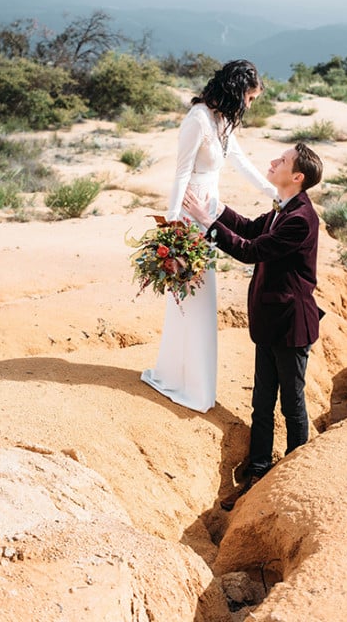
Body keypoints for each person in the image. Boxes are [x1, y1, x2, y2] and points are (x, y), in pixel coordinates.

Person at [183, 142, 323, 509]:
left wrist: (207, 222)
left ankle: (295, 471)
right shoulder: (283, 208)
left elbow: (250, 250)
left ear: (297, 177)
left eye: (282, 160)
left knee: (291, 403)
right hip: (271, 321)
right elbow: (247, 227)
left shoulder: (300, 219)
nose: (273, 162)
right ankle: (258, 471)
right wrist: (214, 206)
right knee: (262, 402)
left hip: (292, 325)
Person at [140, 60, 277, 413]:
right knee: (193, 300)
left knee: (201, 300)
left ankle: (192, 380)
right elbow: (181, 173)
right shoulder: (197, 120)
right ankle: (185, 383)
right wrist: (171, 229)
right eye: (249, 97)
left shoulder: (222, 120)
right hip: (190, 220)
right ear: (236, 91)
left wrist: (272, 192)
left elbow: (240, 161)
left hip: (209, 214)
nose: (249, 105)